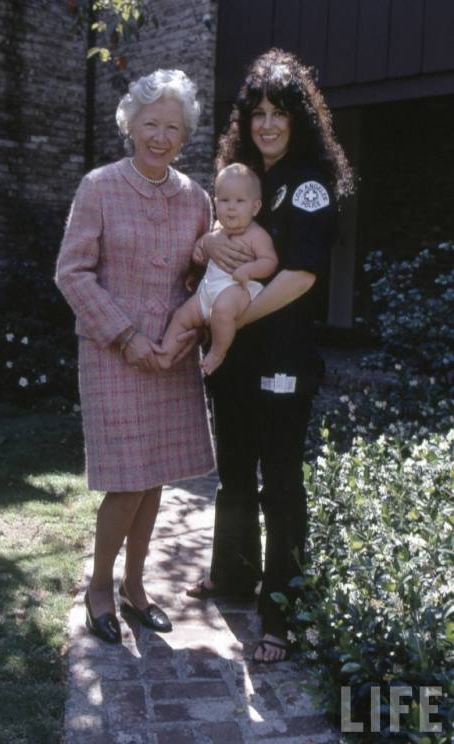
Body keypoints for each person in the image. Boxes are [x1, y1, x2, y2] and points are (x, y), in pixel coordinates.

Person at [186, 49, 354, 662]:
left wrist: (227, 316)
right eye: (256, 112)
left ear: (299, 117)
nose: (267, 124)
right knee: (232, 473)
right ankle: (232, 574)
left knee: (278, 481)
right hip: (232, 360)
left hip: (281, 359)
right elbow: (214, 236)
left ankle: (282, 608)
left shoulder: (308, 184)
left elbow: (304, 276)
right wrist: (207, 239)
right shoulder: (241, 177)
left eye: (279, 112)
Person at [55, 69, 215, 644]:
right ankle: (101, 586)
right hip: (112, 354)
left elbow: (206, 278)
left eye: (173, 127)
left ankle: (136, 586)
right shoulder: (98, 186)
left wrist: (179, 337)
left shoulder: (197, 198)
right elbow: (71, 273)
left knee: (154, 483)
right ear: (130, 123)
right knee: (126, 481)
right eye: (151, 123)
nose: (161, 135)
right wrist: (126, 336)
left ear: (185, 134)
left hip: (169, 358)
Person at [159, 163, 278, 375]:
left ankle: (217, 352)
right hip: (208, 290)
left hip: (239, 290)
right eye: (224, 201)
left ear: (255, 207)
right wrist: (199, 252)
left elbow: (270, 262)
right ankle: (165, 353)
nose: (231, 207)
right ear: (215, 203)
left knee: (222, 312)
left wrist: (249, 269)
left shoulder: (256, 235)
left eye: (240, 201)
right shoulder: (216, 230)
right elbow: (203, 253)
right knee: (181, 315)